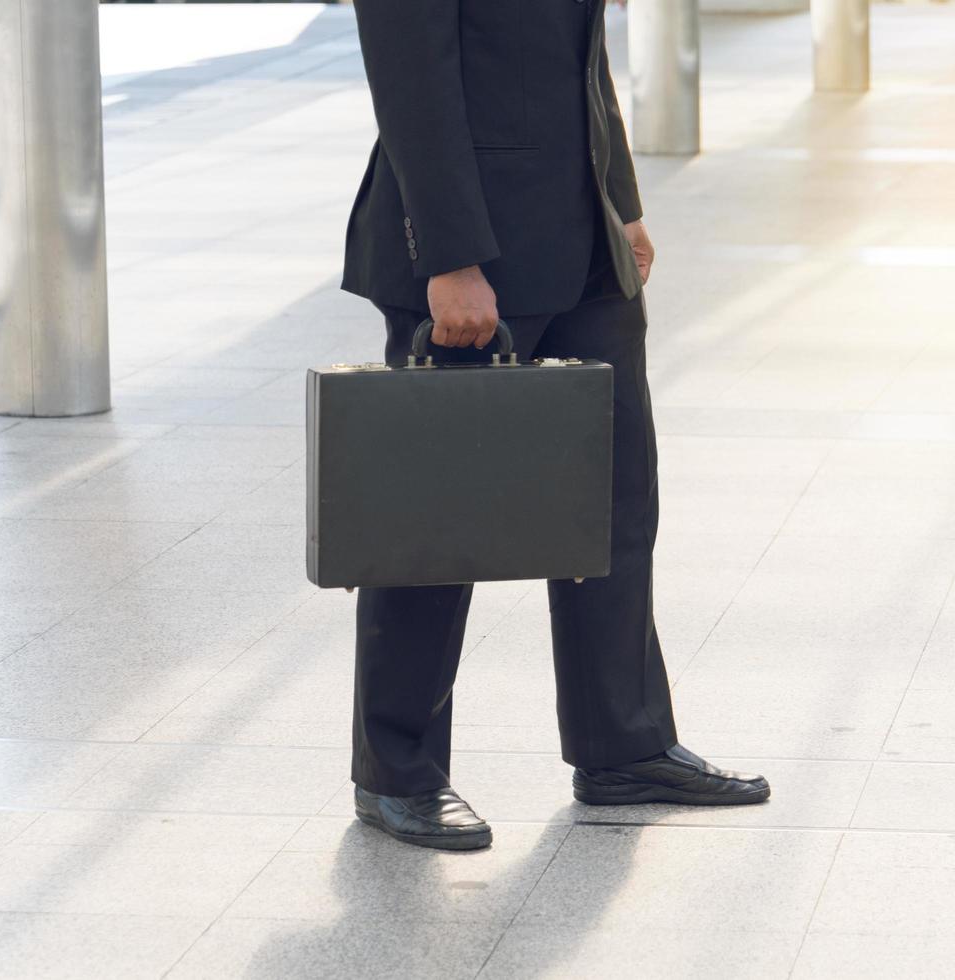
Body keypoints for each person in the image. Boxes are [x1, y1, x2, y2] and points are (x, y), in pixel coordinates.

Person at [338, 0, 769, 851]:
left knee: (617, 499)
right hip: (474, 253)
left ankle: (624, 744)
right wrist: (450, 258)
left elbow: (583, 54)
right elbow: (410, 76)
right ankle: (397, 772)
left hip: (583, 241)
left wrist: (621, 201)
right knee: (434, 522)